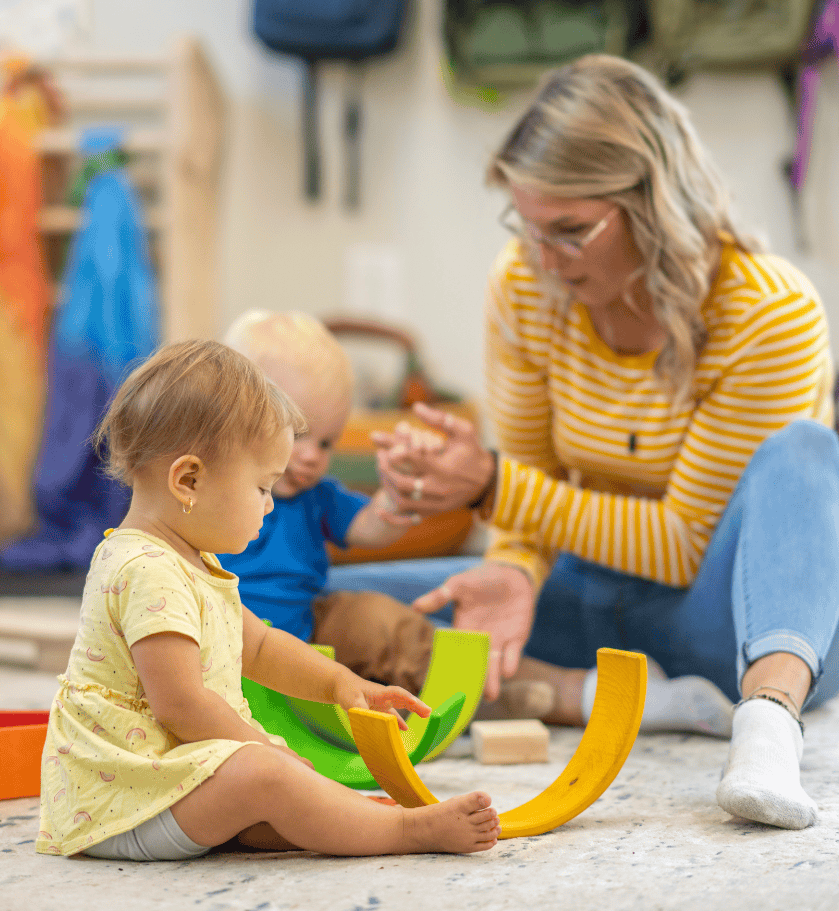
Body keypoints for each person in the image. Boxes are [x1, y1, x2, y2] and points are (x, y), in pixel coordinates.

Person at [375, 55, 839, 831]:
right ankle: (599, 696)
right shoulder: (526, 284)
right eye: (527, 227)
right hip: (598, 603)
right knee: (327, 602)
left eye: (570, 232)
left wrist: (489, 486)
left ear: (658, 206)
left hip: (737, 622)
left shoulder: (771, 311)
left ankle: (766, 727)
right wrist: (510, 568)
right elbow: (529, 473)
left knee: (802, 453)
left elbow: (682, 545)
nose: (542, 258)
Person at [36, 340, 499, 861]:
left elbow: (257, 647)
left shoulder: (190, 561)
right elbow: (181, 704)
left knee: (284, 791)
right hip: (126, 806)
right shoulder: (146, 570)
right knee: (266, 773)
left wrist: (343, 685)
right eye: (262, 487)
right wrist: (265, 750)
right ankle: (405, 834)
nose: (271, 503)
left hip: (167, 787)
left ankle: (357, 819)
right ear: (188, 481)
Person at [216, 310, 439, 695]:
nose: (312, 456)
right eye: (298, 433)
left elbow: (370, 527)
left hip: (308, 641)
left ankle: (456, 691)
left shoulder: (317, 497)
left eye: (325, 442)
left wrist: (396, 493)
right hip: (220, 649)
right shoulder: (212, 491)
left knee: (376, 618)